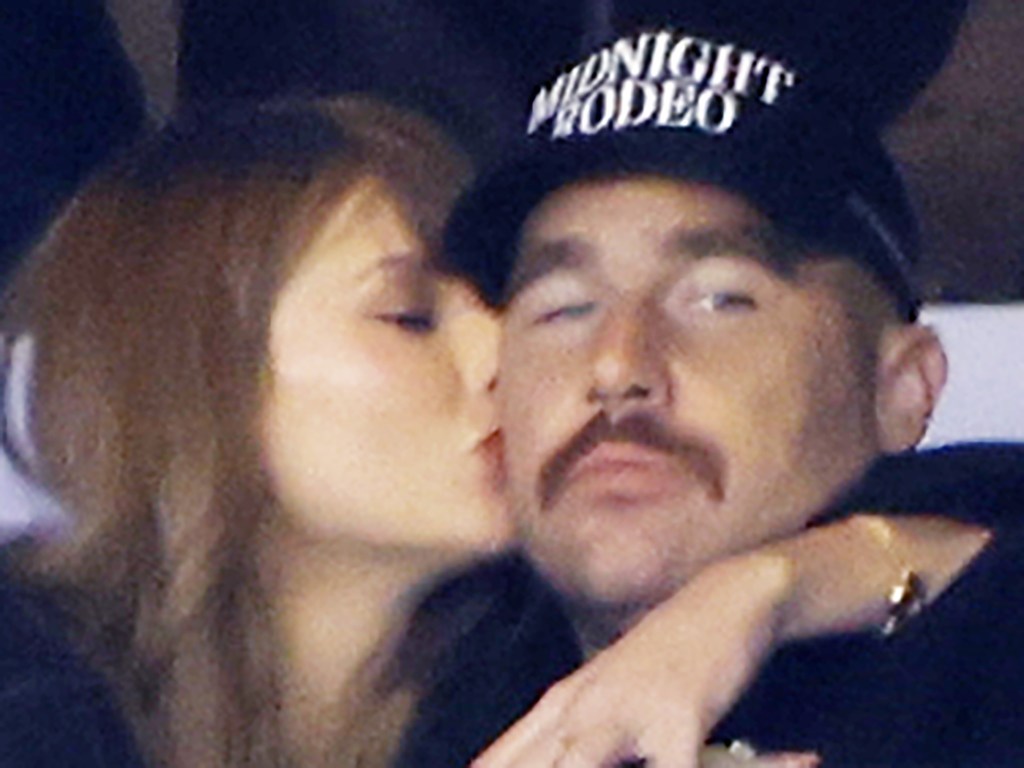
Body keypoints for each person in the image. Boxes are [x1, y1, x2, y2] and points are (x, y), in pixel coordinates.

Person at [398, 17, 1024, 768]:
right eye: (563, 307)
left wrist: (775, 590)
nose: (617, 367)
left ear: (902, 386)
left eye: (719, 299)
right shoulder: (412, 696)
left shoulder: (986, 669)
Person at [0, 96, 510, 768]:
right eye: (407, 315)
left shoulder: (556, 682)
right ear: (197, 373)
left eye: (511, 303)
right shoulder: (27, 700)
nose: (502, 353)